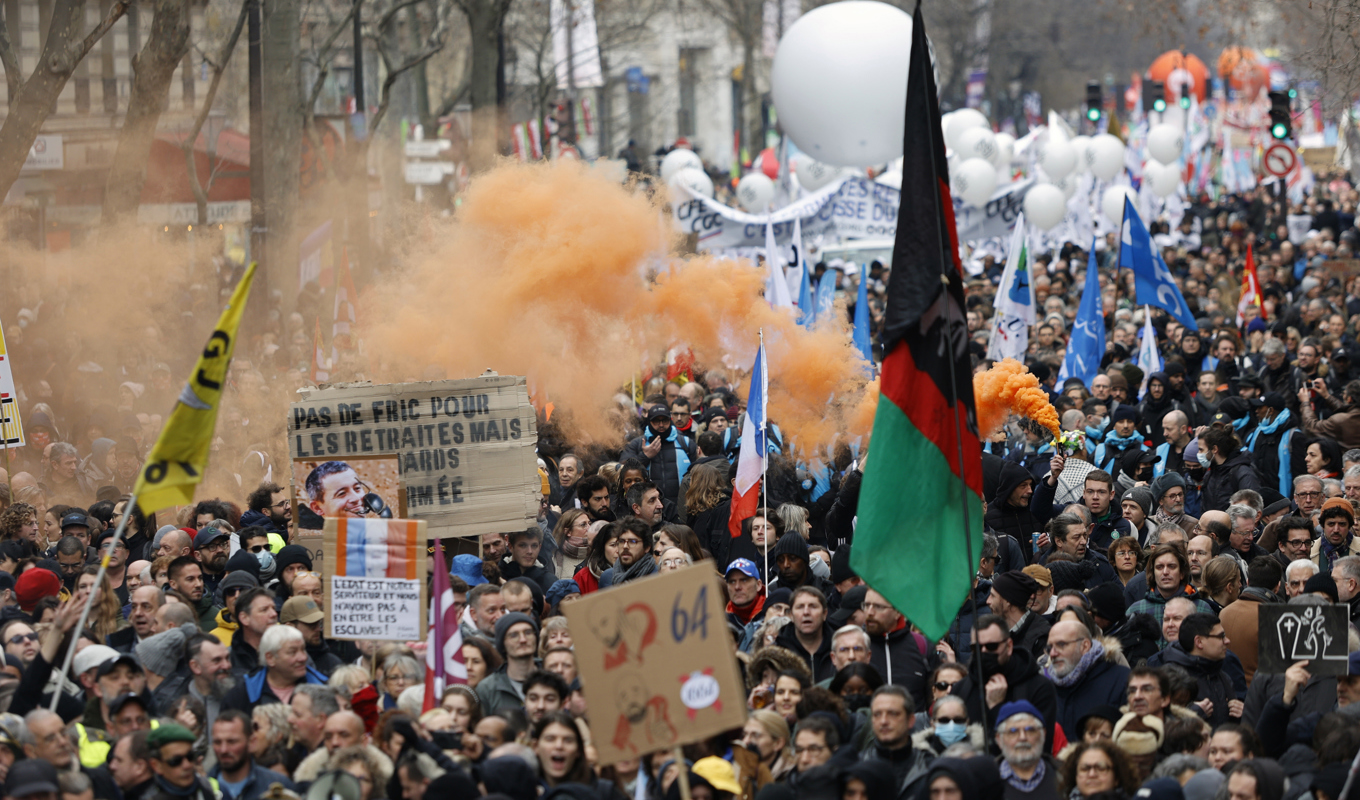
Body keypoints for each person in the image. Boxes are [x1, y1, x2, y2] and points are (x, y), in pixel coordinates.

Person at [951, 614, 1058, 748]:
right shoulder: (961, 690)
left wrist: (998, 709)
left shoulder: (1038, 687)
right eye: (976, 648)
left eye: (991, 646)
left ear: (1008, 646)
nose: (983, 652)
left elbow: (1040, 745)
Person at [1042, 619, 1130, 740]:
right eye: (1049, 647)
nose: (1053, 653)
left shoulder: (1122, 680)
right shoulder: (1044, 687)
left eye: (1061, 644)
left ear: (1085, 646)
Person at [220, 624, 328, 712]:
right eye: (292, 652)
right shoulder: (241, 695)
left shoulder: (324, 689)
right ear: (270, 658)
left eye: (303, 650)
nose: (303, 657)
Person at [861, 588, 935, 708]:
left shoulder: (922, 646)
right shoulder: (856, 647)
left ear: (897, 612)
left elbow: (934, 701)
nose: (870, 612)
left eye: (878, 607)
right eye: (866, 605)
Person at [859, 686, 933, 799]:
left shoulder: (929, 767)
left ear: (911, 720)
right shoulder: (857, 767)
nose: (883, 721)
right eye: (877, 714)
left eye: (893, 713)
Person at [208, 709, 297, 800]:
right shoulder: (202, 788)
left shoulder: (276, 786)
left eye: (232, 742)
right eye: (217, 742)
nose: (224, 750)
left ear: (252, 742)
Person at [620, 405, 696, 507]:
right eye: (656, 421)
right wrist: (645, 456)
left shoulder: (685, 443)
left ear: (670, 420)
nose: (661, 425)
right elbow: (623, 470)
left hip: (682, 505)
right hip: (647, 507)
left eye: (665, 420)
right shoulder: (637, 444)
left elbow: (697, 472)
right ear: (649, 422)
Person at [476, 612, 540, 716]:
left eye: (528, 632)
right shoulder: (488, 689)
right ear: (502, 644)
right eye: (514, 635)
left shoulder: (553, 678)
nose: (523, 640)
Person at [995, 701, 1060, 800]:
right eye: (1013, 731)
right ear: (999, 739)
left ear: (1043, 735)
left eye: (1030, 730)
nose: (1022, 738)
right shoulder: (985, 782)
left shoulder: (1065, 775)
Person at [986, 571, 1051, 659]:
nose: (988, 601)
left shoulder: (1040, 638)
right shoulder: (994, 631)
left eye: (993, 596)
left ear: (1008, 601)